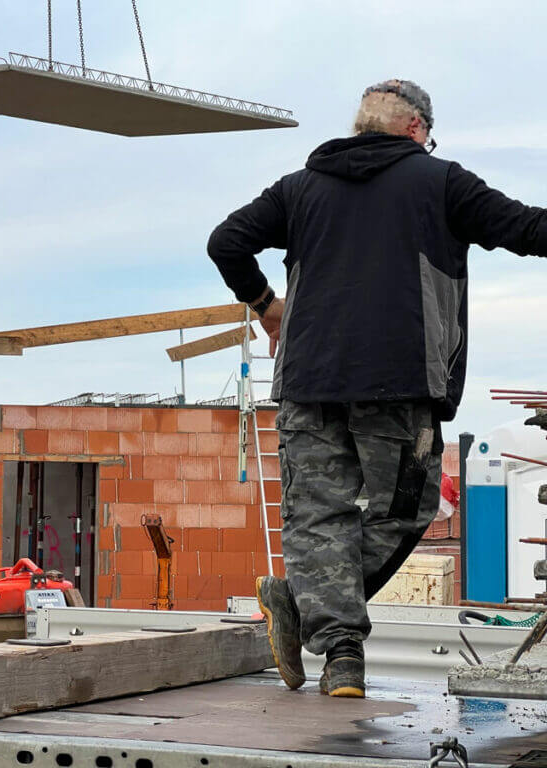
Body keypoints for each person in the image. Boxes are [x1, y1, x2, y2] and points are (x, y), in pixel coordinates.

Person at [207, 79, 547, 698]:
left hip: (307, 379)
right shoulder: (440, 181)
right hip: (399, 381)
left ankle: (341, 659)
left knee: (317, 517)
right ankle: (316, 620)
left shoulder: (300, 187)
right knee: (407, 508)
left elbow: (226, 242)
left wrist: (265, 304)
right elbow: (526, 229)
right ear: (416, 128)